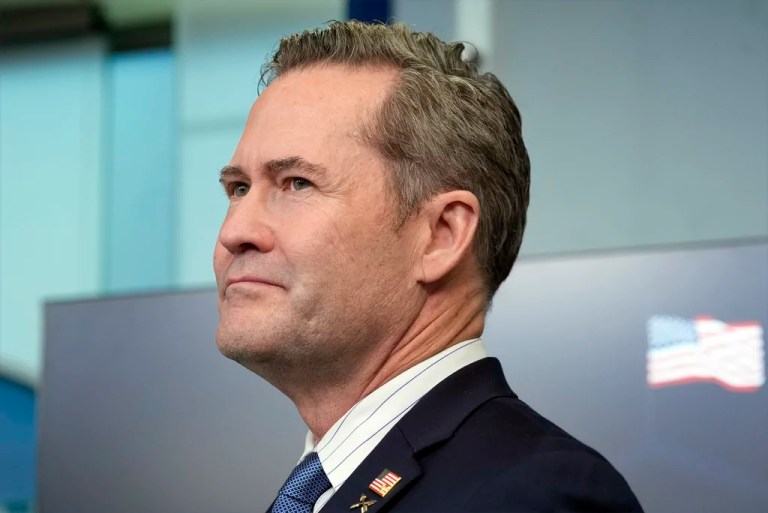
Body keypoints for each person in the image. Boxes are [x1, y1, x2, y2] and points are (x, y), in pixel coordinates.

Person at [213, 20, 643, 513]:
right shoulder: (325, 485)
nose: (234, 231)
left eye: (296, 183)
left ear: (441, 235)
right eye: (238, 189)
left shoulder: (535, 493)